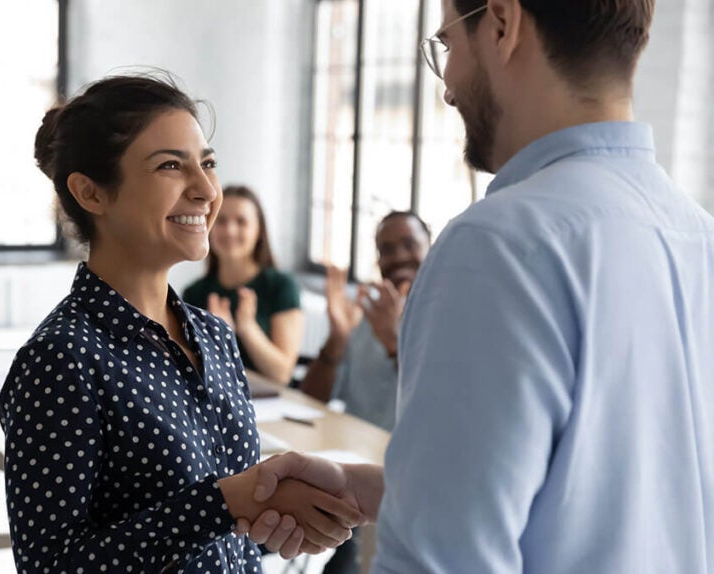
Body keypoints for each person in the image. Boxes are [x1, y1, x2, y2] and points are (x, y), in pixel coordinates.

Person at [239, 0, 714, 571]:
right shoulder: (697, 235)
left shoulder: (499, 243)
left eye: (448, 46)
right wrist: (378, 490)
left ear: (502, 24)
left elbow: (442, 562)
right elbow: (619, 504)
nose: (448, 90)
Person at [0, 74, 360, 573]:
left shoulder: (213, 335)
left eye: (207, 164)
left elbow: (220, 534)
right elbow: (52, 565)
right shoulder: (62, 358)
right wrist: (225, 503)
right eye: (171, 165)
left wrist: (271, 510)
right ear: (91, 192)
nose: (208, 191)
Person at [300, 211, 431, 430]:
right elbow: (312, 397)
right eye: (387, 250)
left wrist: (392, 342)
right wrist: (337, 338)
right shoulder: (364, 313)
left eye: (409, 245)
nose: (399, 257)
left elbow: (437, 404)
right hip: (355, 451)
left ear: (431, 248)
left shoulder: (449, 317)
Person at [182, 185, 303, 383]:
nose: (230, 231)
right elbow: (193, 371)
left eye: (241, 222)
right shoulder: (193, 294)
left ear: (259, 231)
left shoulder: (281, 286)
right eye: (221, 221)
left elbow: (282, 374)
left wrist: (247, 327)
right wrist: (220, 338)